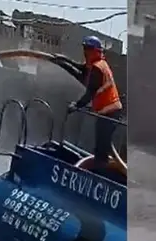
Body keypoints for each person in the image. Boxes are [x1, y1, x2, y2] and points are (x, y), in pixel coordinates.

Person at [51, 36, 124, 172]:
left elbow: (89, 93)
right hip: (107, 112)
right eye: (84, 49)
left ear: (96, 51)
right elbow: (79, 68)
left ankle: (99, 174)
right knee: (101, 146)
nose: (85, 52)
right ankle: (99, 167)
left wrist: (76, 106)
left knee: (102, 149)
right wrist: (62, 60)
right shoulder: (96, 65)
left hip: (110, 112)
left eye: (88, 49)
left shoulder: (98, 68)